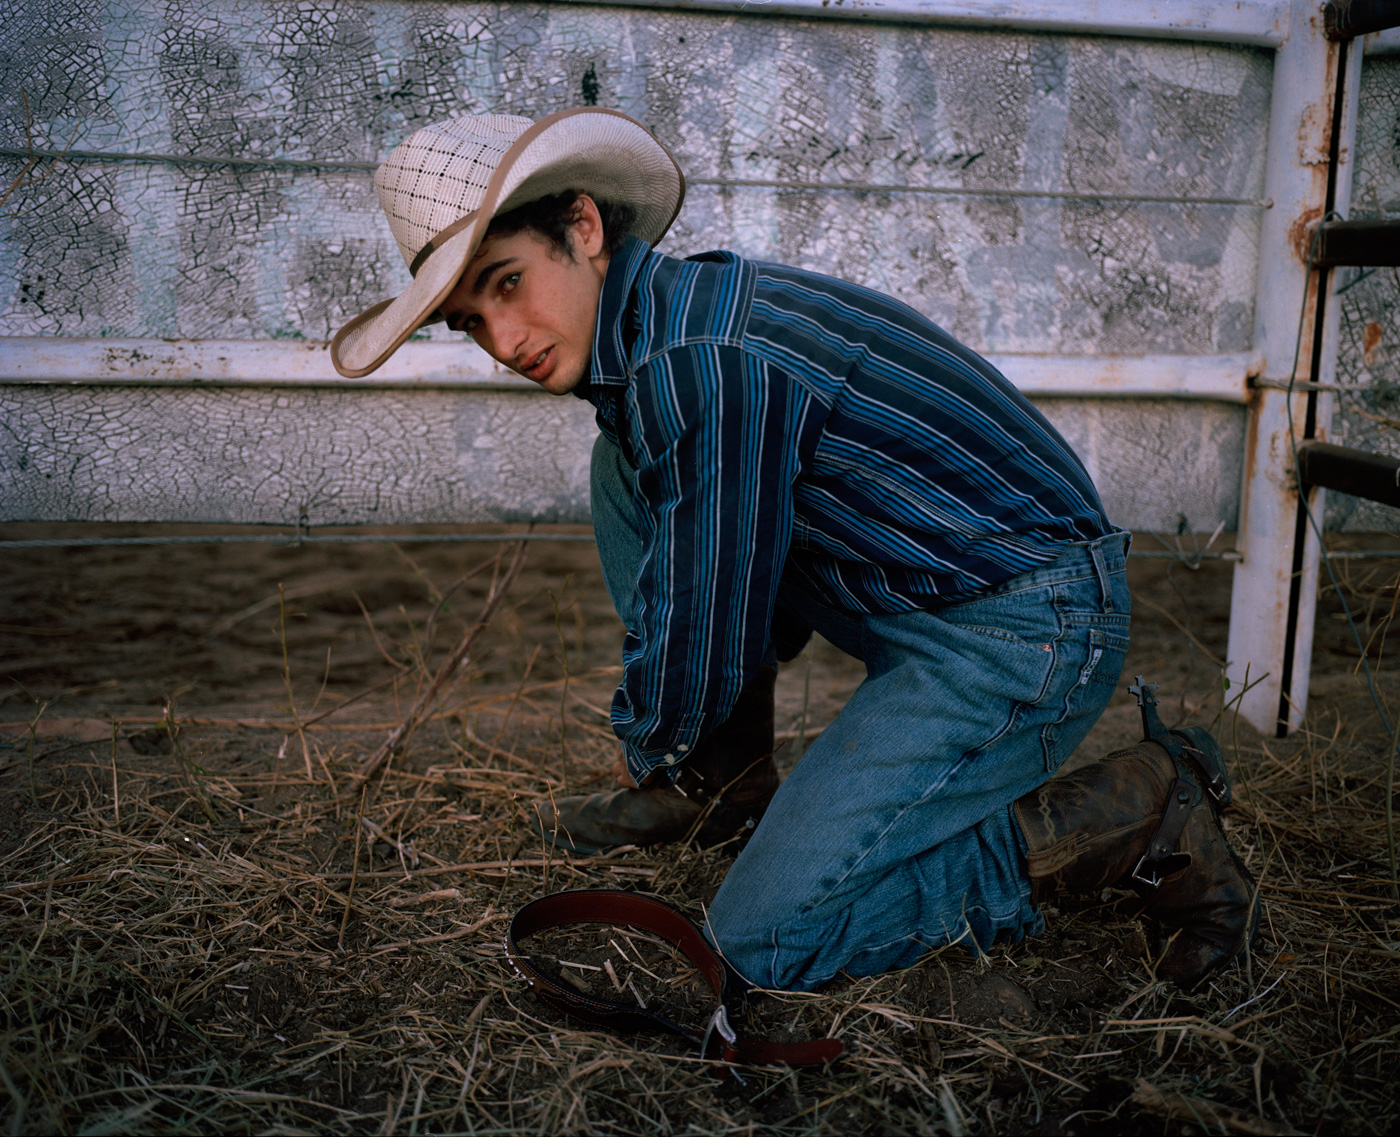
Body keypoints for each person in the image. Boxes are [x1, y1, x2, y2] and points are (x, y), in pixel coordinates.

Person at [332, 108, 1256, 993]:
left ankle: (1134, 815)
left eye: (506, 284)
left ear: (583, 226)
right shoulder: (660, 337)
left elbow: (709, 621)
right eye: (471, 322)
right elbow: (719, 571)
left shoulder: (698, 362)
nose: (505, 340)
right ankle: (722, 782)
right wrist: (681, 730)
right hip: (925, 590)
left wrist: (653, 732)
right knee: (624, 456)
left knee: (767, 938)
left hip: (1029, 623)